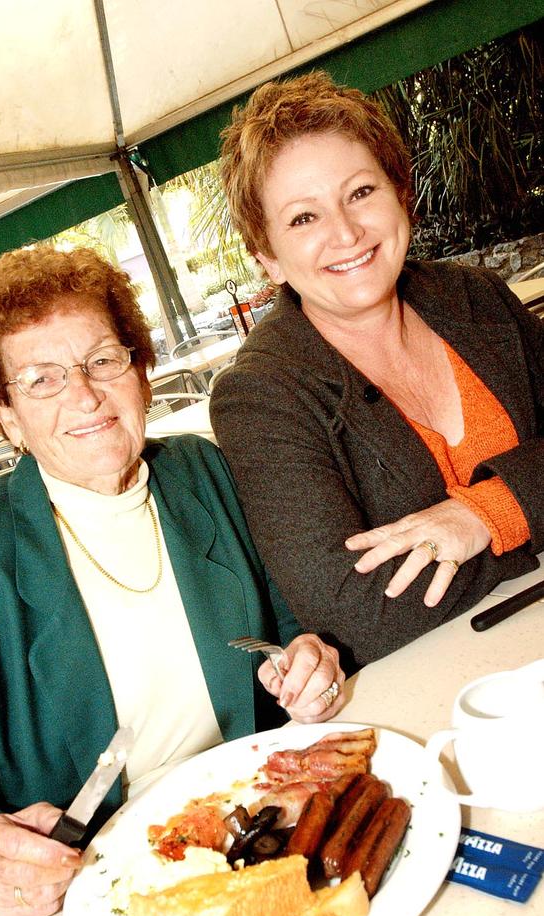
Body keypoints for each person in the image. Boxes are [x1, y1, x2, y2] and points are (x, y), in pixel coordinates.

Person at [0, 245, 345, 916]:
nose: (85, 395)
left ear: (139, 370)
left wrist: (306, 661)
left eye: (104, 361)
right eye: (41, 380)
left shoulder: (204, 473)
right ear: (5, 415)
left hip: (239, 847)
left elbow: (289, 622)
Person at [210, 71, 543, 670]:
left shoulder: (480, 298)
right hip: (449, 686)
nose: (345, 232)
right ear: (267, 258)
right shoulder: (260, 396)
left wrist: (486, 513)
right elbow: (355, 615)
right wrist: (527, 510)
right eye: (302, 218)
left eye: (360, 192)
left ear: (399, 193)